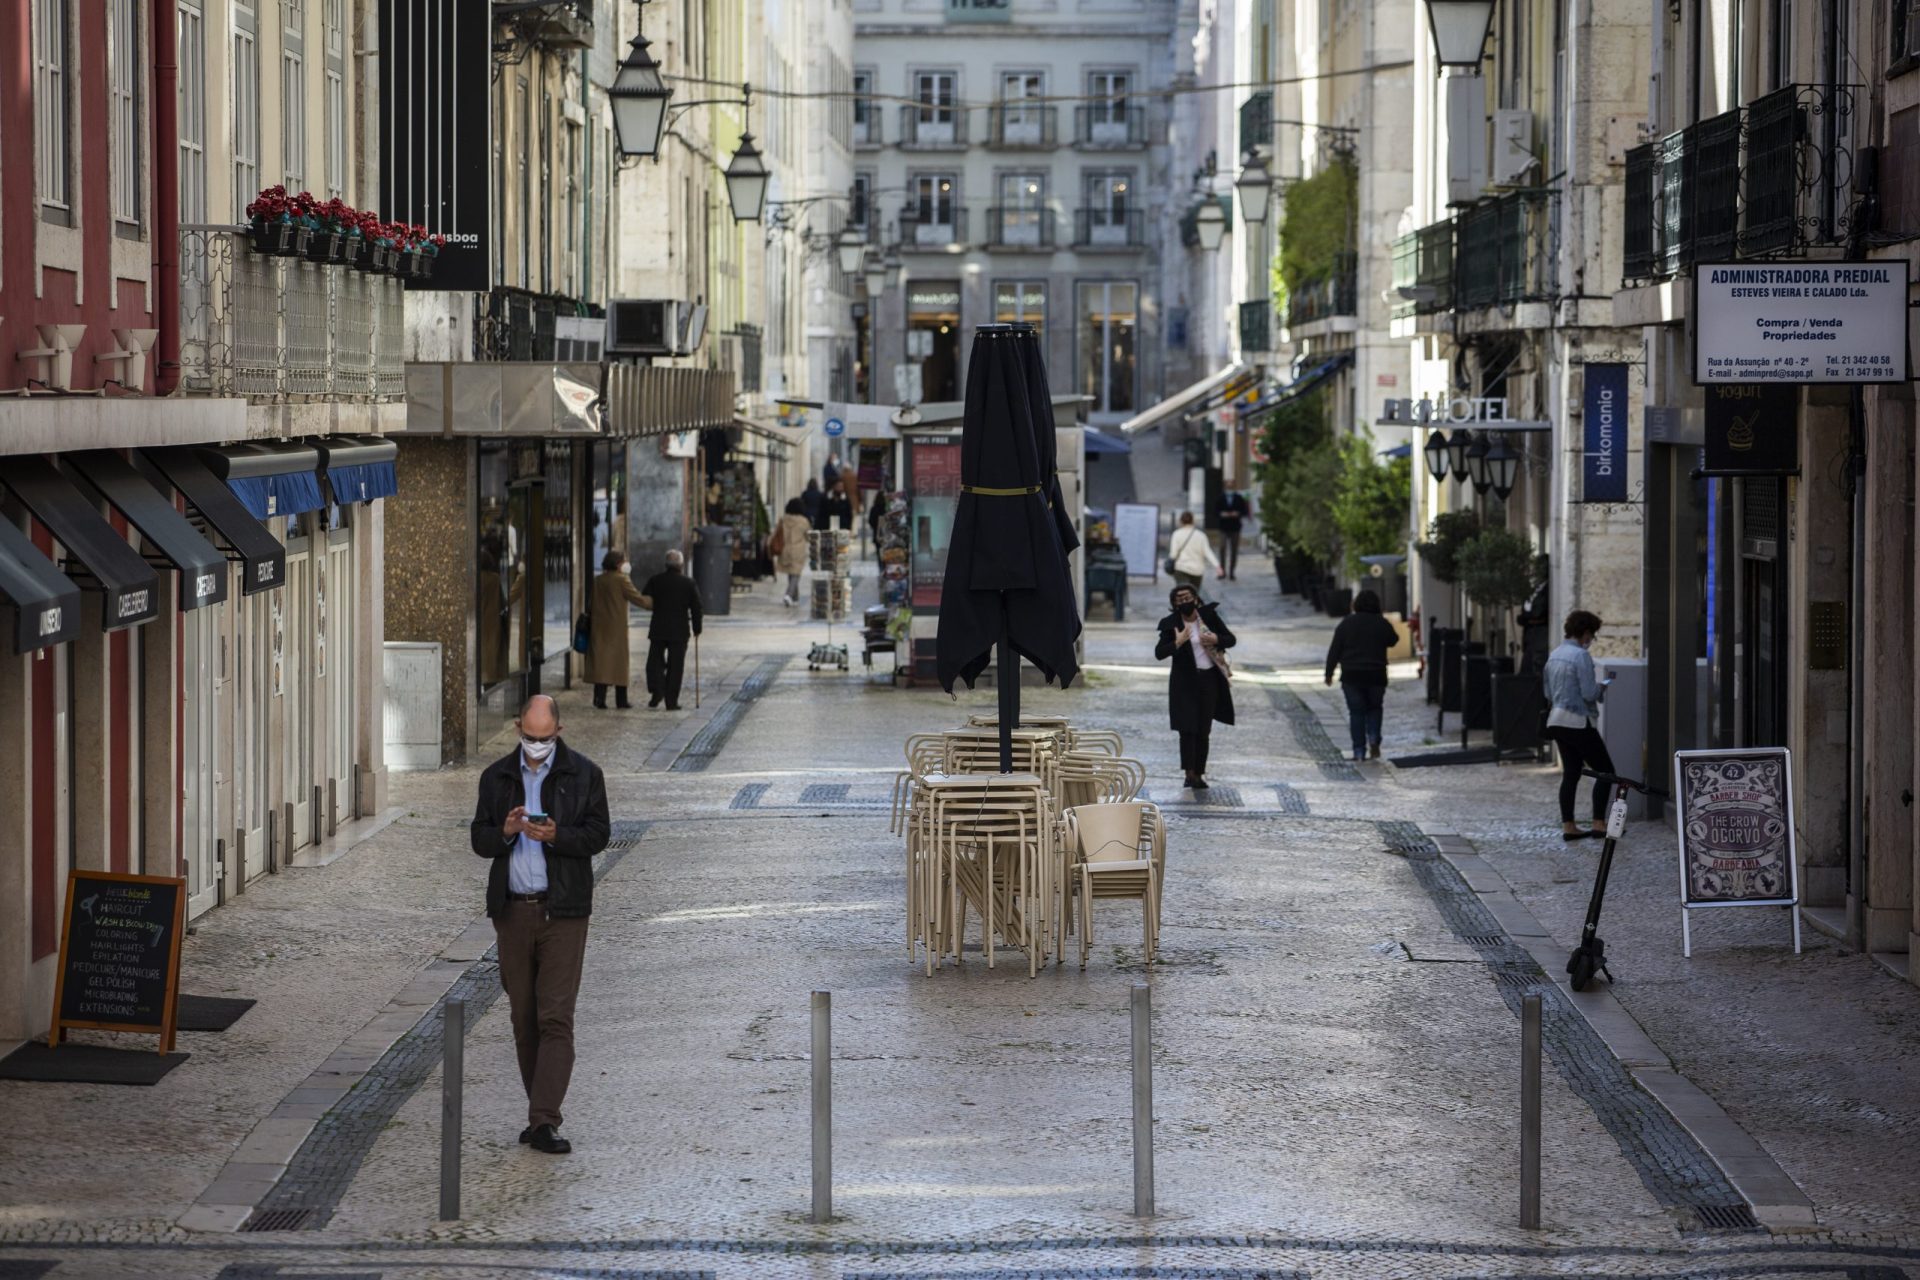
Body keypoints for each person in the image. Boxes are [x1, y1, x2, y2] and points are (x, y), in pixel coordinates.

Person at [468, 695, 610, 1155]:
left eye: (544, 739)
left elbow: (598, 834)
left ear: (559, 733)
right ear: (517, 729)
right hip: (512, 912)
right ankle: (540, 1113)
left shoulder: (585, 774)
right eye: (529, 737)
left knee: (555, 1017)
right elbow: (479, 838)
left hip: (564, 911)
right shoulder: (497, 778)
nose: (536, 746)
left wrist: (558, 836)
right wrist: (506, 831)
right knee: (523, 1019)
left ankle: (544, 1120)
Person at [1542, 609, 1616, 841]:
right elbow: (1588, 692)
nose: (1591, 641)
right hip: (1577, 720)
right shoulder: (1580, 656)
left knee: (1571, 773)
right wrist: (1602, 687)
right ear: (1585, 633)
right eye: (1592, 636)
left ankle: (1569, 826)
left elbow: (1547, 691)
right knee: (1606, 772)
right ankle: (1599, 823)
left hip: (1556, 720)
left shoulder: (1554, 654)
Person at [1155, 583, 1236, 791]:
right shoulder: (1171, 624)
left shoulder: (1208, 617)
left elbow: (1230, 639)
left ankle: (1199, 772)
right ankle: (1188, 773)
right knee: (1186, 729)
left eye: (1188, 598)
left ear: (1196, 599)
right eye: (1179, 600)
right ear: (1174, 604)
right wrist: (1178, 642)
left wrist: (1216, 638)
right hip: (1183, 683)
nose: (1185, 602)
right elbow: (1159, 653)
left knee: (1203, 729)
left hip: (1209, 680)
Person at [1324, 588, 1400, 761]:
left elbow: (1335, 650)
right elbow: (1394, 640)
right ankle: (1374, 737)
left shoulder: (1346, 623)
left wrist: (1329, 673)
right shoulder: (1381, 623)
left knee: (1356, 712)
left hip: (1352, 675)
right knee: (1375, 707)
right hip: (1376, 674)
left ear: (1356, 604)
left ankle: (1359, 750)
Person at [639, 550, 704, 710]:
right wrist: (697, 628)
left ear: (665, 565)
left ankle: (657, 690)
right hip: (679, 630)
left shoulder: (656, 580)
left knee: (654, 662)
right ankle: (671, 701)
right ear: (681, 565)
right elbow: (697, 607)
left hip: (658, 628)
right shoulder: (689, 583)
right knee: (676, 666)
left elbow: (645, 598)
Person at [585, 551, 647, 708]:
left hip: (599, 626)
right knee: (619, 664)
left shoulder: (598, 580)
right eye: (624, 560)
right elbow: (637, 598)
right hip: (616, 628)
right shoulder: (622, 580)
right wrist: (654, 602)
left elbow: (591, 602)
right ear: (618, 563)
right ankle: (621, 699)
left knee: (601, 664)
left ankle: (599, 698)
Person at [1167, 511, 1223, 591]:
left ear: (1181, 521)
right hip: (1197, 570)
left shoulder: (1176, 534)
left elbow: (1173, 554)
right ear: (1193, 521)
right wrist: (1217, 566)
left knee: (1183, 594)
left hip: (1181, 569)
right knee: (1194, 595)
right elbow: (1208, 552)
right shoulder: (1201, 535)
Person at [773, 497, 812, 607]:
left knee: (791, 572)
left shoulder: (783, 519)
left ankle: (795, 596)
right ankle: (788, 595)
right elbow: (808, 536)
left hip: (785, 548)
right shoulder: (804, 521)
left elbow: (777, 533)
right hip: (798, 549)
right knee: (796, 574)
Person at [1217, 490, 1250, 580]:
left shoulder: (1238, 498)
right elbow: (1215, 510)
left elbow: (1244, 510)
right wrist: (1222, 514)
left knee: (1234, 550)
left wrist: (1237, 513)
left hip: (1235, 527)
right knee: (1222, 548)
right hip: (1223, 527)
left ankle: (1232, 572)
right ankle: (1222, 571)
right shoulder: (1221, 497)